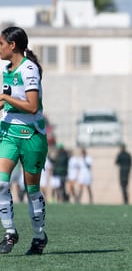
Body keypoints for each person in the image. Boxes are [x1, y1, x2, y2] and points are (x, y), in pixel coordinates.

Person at [0, 26, 49, 255]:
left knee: (32, 190)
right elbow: (7, 101)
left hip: (32, 136)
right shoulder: (5, 68)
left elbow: (31, 106)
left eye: (1, 44)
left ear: (13, 45)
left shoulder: (29, 69)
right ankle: (10, 233)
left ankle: (39, 237)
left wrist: (5, 97)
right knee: (0, 183)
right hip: (8, 132)